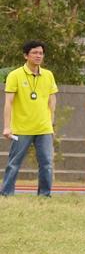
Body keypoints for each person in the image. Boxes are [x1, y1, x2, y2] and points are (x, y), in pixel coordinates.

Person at [2, 41, 58, 197]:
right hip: (22, 128)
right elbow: (8, 102)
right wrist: (7, 126)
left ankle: (44, 195)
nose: (38, 56)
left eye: (41, 53)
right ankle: (6, 193)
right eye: (34, 53)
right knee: (14, 163)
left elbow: (52, 100)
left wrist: (51, 122)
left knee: (47, 164)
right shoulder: (15, 75)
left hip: (44, 128)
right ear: (26, 55)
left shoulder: (48, 75)